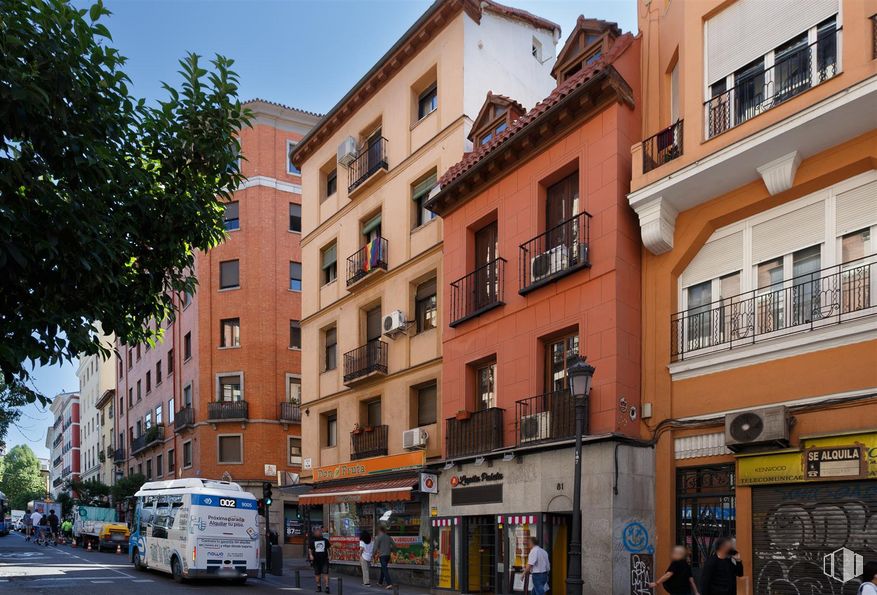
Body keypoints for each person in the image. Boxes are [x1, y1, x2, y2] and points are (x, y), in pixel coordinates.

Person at [308, 527, 331, 594]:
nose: (318, 533)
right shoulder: (312, 541)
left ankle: (327, 587)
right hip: (316, 560)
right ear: (315, 533)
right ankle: (319, 586)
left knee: (325, 573)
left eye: (319, 532)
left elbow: (329, 548)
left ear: (321, 533)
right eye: (317, 532)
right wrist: (311, 555)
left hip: (324, 559)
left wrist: (330, 555)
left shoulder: (325, 540)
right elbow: (310, 549)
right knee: (317, 574)